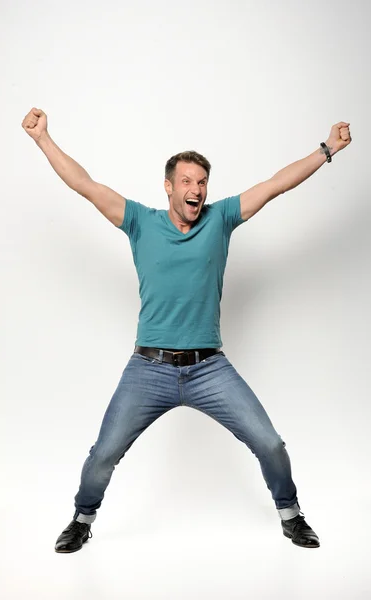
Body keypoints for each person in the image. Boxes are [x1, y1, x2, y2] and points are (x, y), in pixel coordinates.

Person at [22, 108, 351, 553]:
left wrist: (326, 149)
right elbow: (85, 185)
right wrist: (43, 138)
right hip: (148, 368)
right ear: (169, 186)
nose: (196, 189)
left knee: (270, 444)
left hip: (208, 369)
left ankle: (290, 514)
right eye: (187, 181)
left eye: (202, 182)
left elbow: (276, 184)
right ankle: (82, 518)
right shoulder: (139, 221)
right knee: (103, 454)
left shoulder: (221, 219)